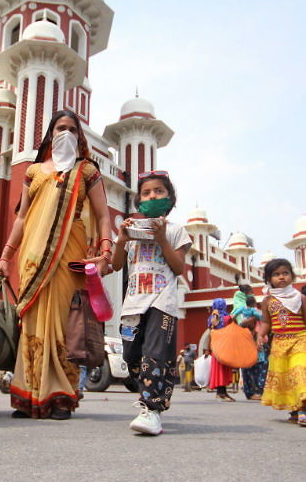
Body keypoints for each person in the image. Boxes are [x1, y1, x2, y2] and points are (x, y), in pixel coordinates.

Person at [0, 109, 111, 420]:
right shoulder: (33, 171)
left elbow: (103, 216)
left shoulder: (86, 170)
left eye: (72, 129)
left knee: (63, 323)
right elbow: (22, 217)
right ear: (50, 134)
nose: (66, 133)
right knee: (31, 323)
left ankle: (61, 396)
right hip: (32, 256)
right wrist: (6, 256)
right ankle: (28, 395)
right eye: (60, 128)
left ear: (80, 136)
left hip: (69, 251)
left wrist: (105, 251)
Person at [112, 170, 191, 435]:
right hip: (133, 304)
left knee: (156, 355)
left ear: (170, 198)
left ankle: (152, 408)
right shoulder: (132, 232)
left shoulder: (178, 231)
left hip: (162, 303)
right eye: (146, 193)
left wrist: (161, 238)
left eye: (159, 191)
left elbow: (178, 267)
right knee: (131, 356)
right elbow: (115, 264)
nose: (152, 196)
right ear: (139, 200)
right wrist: (122, 239)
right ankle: (153, 392)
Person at [258, 259, 306, 427]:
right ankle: (295, 409)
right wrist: (260, 335)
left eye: (285, 273)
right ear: (269, 279)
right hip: (279, 342)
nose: (281, 277)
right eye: (276, 274)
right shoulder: (267, 301)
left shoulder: (301, 298)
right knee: (286, 375)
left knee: (300, 372)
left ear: (292, 276)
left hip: (300, 339)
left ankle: (303, 410)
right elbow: (266, 322)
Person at [232, 296, 267, 400]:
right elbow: (262, 319)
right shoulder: (254, 313)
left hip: (245, 346)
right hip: (255, 346)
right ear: (254, 303)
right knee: (260, 369)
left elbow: (234, 315)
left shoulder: (242, 312)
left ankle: (251, 392)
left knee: (248, 370)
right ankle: (259, 392)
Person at [206, 298, 236, 402]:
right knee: (224, 369)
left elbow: (210, 333)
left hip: (215, 346)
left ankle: (220, 392)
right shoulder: (228, 318)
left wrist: (207, 348)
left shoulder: (211, 318)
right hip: (225, 346)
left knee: (218, 368)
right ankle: (222, 392)